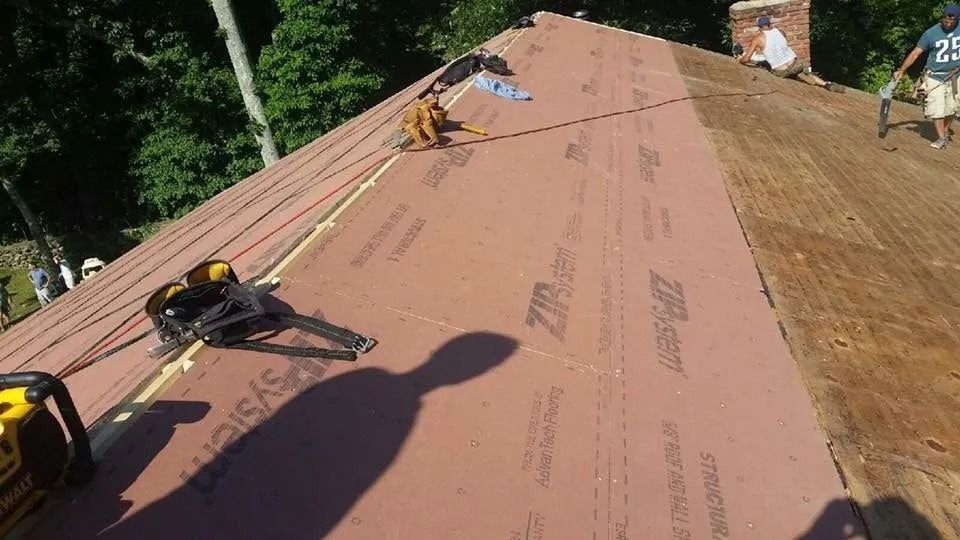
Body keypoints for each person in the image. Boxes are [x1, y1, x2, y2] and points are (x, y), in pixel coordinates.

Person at [893, 4, 960, 149]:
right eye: (946, 20)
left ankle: (945, 129)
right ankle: (941, 138)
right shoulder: (931, 34)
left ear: (957, 19)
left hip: (956, 76)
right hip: (935, 76)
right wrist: (901, 70)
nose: (948, 23)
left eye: (952, 21)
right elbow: (915, 53)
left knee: (952, 108)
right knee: (937, 108)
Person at [737, 16, 845, 93]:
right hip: (795, 64)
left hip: (781, 71)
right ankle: (826, 84)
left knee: (764, 63)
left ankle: (797, 76)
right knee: (805, 72)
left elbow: (746, 59)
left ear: (759, 27)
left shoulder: (758, 38)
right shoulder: (780, 32)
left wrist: (740, 60)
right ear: (770, 25)